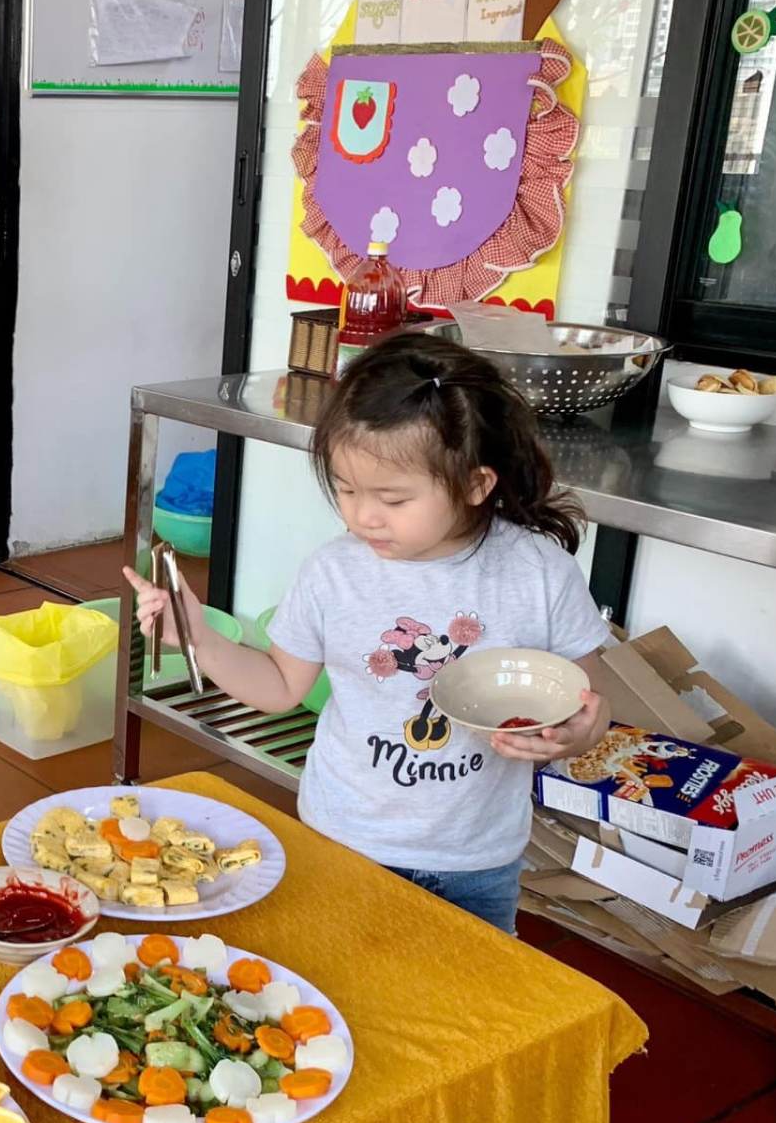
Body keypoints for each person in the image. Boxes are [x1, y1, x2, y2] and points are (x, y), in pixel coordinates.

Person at [124, 332, 611, 934]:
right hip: (346, 835)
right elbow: (279, 686)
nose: (363, 516)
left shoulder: (538, 572)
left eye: (394, 499)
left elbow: (587, 699)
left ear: (475, 484)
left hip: (478, 860)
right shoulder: (335, 571)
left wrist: (575, 734)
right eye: (346, 489)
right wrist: (199, 636)